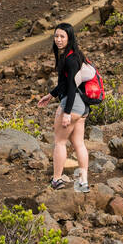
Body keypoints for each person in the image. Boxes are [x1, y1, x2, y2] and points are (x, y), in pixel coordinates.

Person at [36, 22, 90, 192]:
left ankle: (57, 180)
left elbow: (72, 87)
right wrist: (51, 95)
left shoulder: (70, 59)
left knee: (59, 142)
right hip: (83, 107)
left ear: (69, 38)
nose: (58, 40)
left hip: (72, 104)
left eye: (62, 36)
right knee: (79, 144)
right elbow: (66, 83)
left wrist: (66, 113)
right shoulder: (74, 55)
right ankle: (83, 183)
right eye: (56, 36)